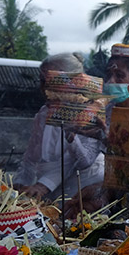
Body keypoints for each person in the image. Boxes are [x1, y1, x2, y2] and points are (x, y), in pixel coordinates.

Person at [14, 53, 105, 201]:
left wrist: (43, 185)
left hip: (84, 187)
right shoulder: (44, 113)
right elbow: (31, 157)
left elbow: (80, 161)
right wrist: (19, 184)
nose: (43, 88)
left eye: (50, 81)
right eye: (42, 81)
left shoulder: (90, 110)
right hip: (51, 188)